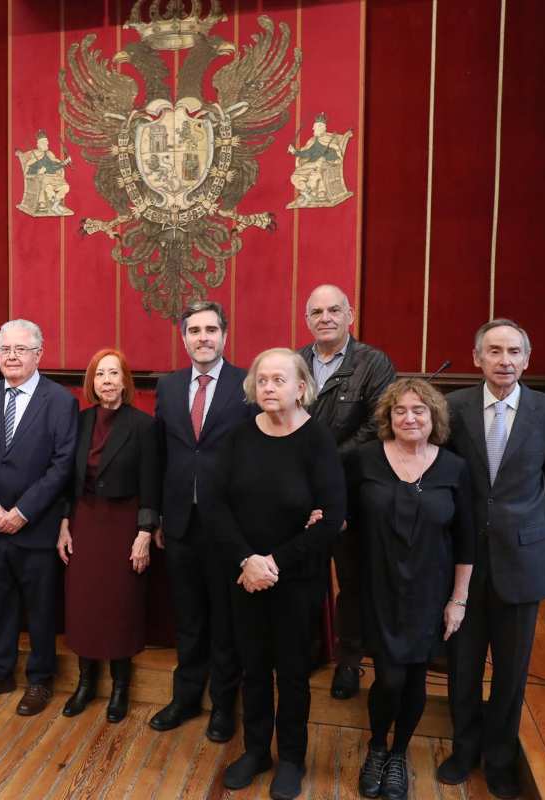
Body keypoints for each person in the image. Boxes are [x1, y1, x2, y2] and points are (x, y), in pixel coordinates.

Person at [437, 319, 545, 799]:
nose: (504, 360)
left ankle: (499, 759)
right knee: (464, 664)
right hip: (465, 559)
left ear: (527, 359)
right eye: (494, 351)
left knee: (511, 671)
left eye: (514, 351)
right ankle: (462, 750)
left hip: (523, 558)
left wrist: (519, 525)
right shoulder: (453, 408)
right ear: (477, 358)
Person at [214, 348, 345, 800]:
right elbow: (215, 505)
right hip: (244, 575)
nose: (270, 387)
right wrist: (247, 560)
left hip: (295, 579)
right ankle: (255, 750)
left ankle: (290, 757)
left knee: (291, 672)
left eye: (279, 380)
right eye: (263, 380)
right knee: (252, 668)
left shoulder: (317, 439)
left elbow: (332, 517)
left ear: (301, 387)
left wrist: (275, 563)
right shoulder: (237, 437)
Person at [347, 379, 474, 800]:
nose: (409, 417)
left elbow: (467, 541)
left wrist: (458, 599)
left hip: (430, 591)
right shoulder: (364, 460)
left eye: (419, 410)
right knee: (388, 678)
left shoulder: (454, 468)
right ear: (387, 417)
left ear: (434, 417)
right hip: (377, 586)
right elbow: (341, 518)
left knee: (415, 680)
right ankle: (377, 747)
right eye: (399, 410)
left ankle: (399, 754)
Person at [0, 319, 77, 716]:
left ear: (38, 354)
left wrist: (23, 512)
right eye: (5, 350)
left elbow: (62, 466)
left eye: (20, 350)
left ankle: (41, 680)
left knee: (42, 608)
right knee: (0, 605)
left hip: (37, 526)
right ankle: (0, 672)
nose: (11, 357)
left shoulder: (61, 401)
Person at [150, 299, 251, 742]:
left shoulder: (246, 383)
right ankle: (186, 697)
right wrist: (154, 517)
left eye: (211, 329)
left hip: (229, 526)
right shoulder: (169, 386)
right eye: (194, 330)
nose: (203, 337)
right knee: (188, 619)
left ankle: (224, 708)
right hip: (179, 524)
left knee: (226, 622)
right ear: (184, 337)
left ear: (224, 336)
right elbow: (160, 455)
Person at [297, 284, 395, 701]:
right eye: (316, 312)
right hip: (298, 490)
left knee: (352, 580)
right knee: (303, 574)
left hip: (351, 489)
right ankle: (309, 649)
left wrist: (325, 462)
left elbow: (378, 426)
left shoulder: (373, 362)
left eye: (334, 310)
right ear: (307, 319)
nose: (325, 318)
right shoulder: (294, 361)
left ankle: (350, 662)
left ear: (349, 315)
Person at [56, 348, 160, 723]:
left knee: (120, 606)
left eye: (114, 374)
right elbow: (68, 480)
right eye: (100, 375)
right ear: (92, 382)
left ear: (125, 381)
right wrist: (65, 522)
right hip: (85, 519)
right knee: (84, 604)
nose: (107, 382)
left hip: (123, 525)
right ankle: (85, 685)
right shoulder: (80, 422)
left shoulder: (144, 425)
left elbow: (152, 484)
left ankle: (120, 688)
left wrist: (145, 532)